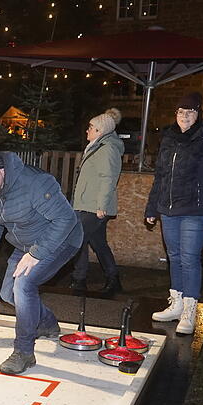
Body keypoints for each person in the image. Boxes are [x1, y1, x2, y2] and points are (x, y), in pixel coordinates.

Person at [0, 146, 83, 375]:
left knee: (23, 285)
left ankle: (23, 352)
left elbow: (65, 218)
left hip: (62, 239)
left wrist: (36, 254)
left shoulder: (35, 183)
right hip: (26, 245)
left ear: (1, 171)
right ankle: (47, 323)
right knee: (7, 294)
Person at [146, 92, 203, 335]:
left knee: (189, 258)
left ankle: (189, 310)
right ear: (176, 114)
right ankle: (177, 304)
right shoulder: (169, 138)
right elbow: (161, 175)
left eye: (190, 112)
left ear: (198, 114)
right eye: (181, 112)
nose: (185, 116)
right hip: (169, 208)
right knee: (174, 256)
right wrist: (152, 207)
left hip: (196, 210)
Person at [69, 107, 124, 294]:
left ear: (100, 131)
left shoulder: (107, 150)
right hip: (87, 204)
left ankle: (79, 278)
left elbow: (108, 178)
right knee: (98, 242)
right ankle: (113, 279)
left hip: (95, 206)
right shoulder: (96, 147)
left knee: (77, 238)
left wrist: (101, 205)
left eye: (91, 127)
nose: (87, 130)